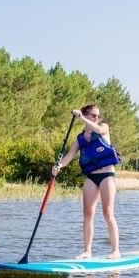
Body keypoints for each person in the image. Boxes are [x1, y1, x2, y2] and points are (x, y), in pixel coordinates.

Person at [52, 104, 121, 259]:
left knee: (107, 212)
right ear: (86, 115)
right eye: (93, 116)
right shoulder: (80, 138)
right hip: (91, 176)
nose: (97, 118)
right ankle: (87, 251)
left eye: (98, 116)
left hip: (107, 175)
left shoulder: (103, 127)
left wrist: (82, 118)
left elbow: (99, 130)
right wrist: (58, 166)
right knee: (87, 213)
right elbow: (69, 157)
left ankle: (115, 250)